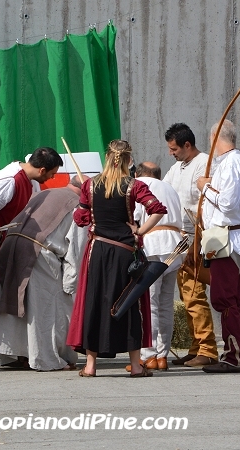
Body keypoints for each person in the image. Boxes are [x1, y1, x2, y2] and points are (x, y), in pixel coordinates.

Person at [66, 140, 167, 378]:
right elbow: (158, 209)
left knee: (95, 302)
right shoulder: (134, 185)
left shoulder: (90, 185)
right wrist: (140, 231)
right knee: (129, 302)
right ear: (129, 160)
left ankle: (90, 366)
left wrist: (90, 211)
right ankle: (136, 366)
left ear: (107, 158)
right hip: (124, 251)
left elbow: (80, 219)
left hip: (98, 251)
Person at [0, 176, 88, 371]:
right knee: (46, 306)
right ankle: (45, 358)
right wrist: (71, 282)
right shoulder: (77, 205)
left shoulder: (44, 193)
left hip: (11, 245)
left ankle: (15, 354)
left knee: (17, 302)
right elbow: (75, 248)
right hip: (39, 251)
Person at [0, 147, 63, 359]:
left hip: (12, 242)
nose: (53, 177)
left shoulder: (29, 180)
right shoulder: (10, 180)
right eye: (52, 173)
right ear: (42, 169)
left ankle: (13, 348)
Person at [197, 119, 240, 374]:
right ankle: (239, 353)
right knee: (231, 297)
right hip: (229, 237)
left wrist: (206, 187)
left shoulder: (233, 164)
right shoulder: (238, 164)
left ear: (214, 138)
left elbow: (229, 204)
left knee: (227, 298)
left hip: (226, 239)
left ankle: (233, 355)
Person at [162, 123, 219, 368]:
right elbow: (163, 192)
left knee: (194, 293)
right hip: (181, 238)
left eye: (174, 148)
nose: (171, 153)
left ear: (188, 145)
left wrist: (199, 236)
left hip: (199, 236)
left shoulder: (206, 164)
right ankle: (196, 346)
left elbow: (215, 200)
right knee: (187, 295)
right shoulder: (176, 168)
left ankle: (207, 349)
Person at [122, 161, 183, 372]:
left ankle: (149, 355)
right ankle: (162, 355)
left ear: (138, 173)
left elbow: (135, 219)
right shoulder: (170, 188)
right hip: (174, 246)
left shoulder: (139, 185)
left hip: (154, 243)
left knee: (150, 303)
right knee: (165, 303)